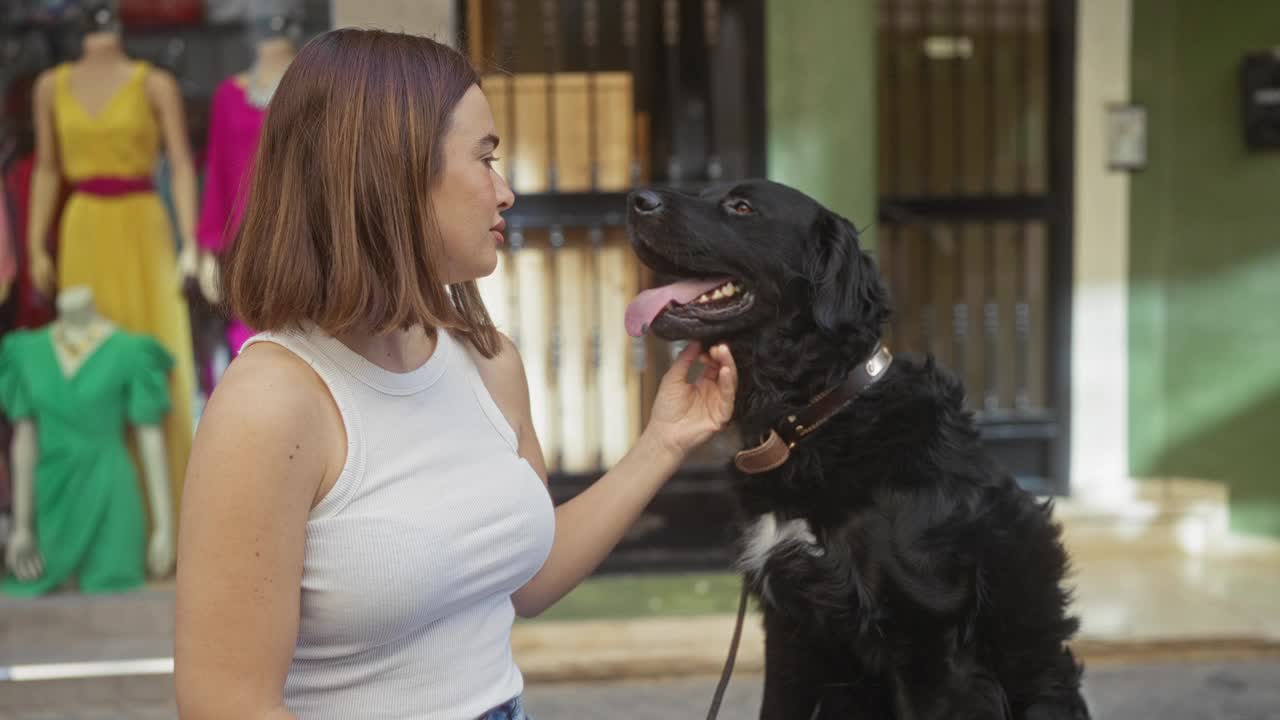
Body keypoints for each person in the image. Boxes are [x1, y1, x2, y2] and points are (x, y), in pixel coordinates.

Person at [173, 28, 737, 720]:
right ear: (393, 171)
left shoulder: (487, 359)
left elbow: (527, 577)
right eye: (485, 159)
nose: (505, 192)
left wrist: (667, 440)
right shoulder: (271, 403)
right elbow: (223, 705)